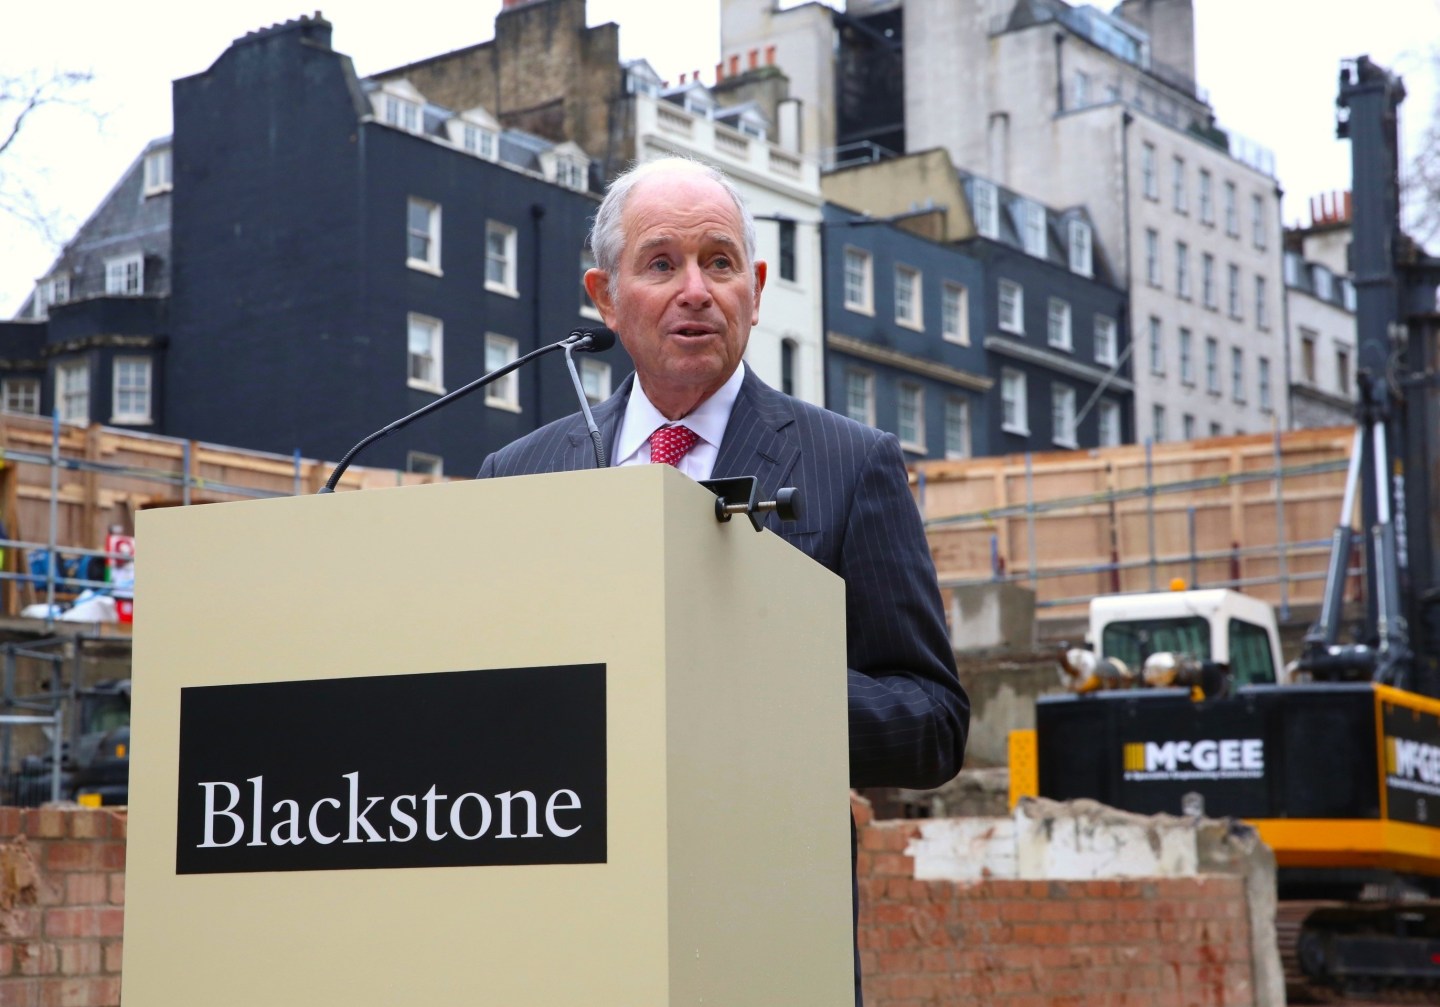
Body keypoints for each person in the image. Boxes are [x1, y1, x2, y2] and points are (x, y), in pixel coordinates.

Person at [477, 156, 968, 1004]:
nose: (696, 289)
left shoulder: (853, 466)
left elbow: (933, 724)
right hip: (568, 935)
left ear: (757, 284)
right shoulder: (518, 476)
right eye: (662, 263)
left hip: (764, 936)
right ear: (604, 295)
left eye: (720, 261)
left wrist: (752, 685)